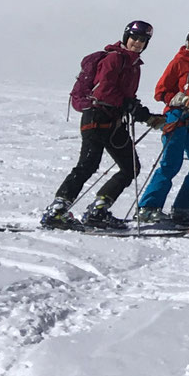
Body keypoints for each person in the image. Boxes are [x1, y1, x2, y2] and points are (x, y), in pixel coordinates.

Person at [42, 19, 162, 227]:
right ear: (126, 37)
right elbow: (104, 91)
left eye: (143, 40)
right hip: (96, 118)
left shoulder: (134, 65)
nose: (138, 43)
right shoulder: (115, 59)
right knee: (88, 165)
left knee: (130, 167)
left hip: (114, 122)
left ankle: (98, 210)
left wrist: (141, 113)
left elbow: (126, 97)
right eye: (135, 38)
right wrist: (132, 108)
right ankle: (57, 210)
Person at [136, 27, 189, 225]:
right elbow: (160, 92)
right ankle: (148, 207)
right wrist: (179, 99)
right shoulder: (179, 62)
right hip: (176, 118)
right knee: (171, 164)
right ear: (188, 42)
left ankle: (183, 207)